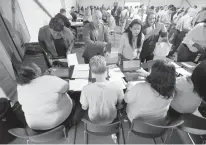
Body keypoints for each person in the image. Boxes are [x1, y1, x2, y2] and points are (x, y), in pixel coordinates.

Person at [17, 62, 75, 131]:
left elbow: (37, 88)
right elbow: (66, 87)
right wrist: (52, 77)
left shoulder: (20, 86)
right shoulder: (48, 79)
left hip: (36, 127)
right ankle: (71, 122)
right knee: (74, 97)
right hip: (57, 123)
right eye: (37, 67)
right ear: (36, 72)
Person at [80, 55, 124, 124]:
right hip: (111, 118)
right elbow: (120, 102)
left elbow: (84, 107)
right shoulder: (117, 86)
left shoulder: (86, 89)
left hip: (93, 119)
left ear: (91, 72)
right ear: (107, 70)